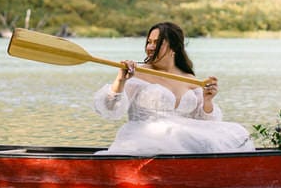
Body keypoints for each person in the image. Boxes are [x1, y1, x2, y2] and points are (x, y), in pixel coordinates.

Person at [94, 22, 253, 155]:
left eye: (157, 43)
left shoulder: (190, 79)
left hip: (182, 138)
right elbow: (110, 109)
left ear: (174, 48)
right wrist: (120, 80)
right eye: (149, 42)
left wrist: (207, 100)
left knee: (237, 132)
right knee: (178, 133)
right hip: (143, 138)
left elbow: (205, 124)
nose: (150, 47)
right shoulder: (136, 74)